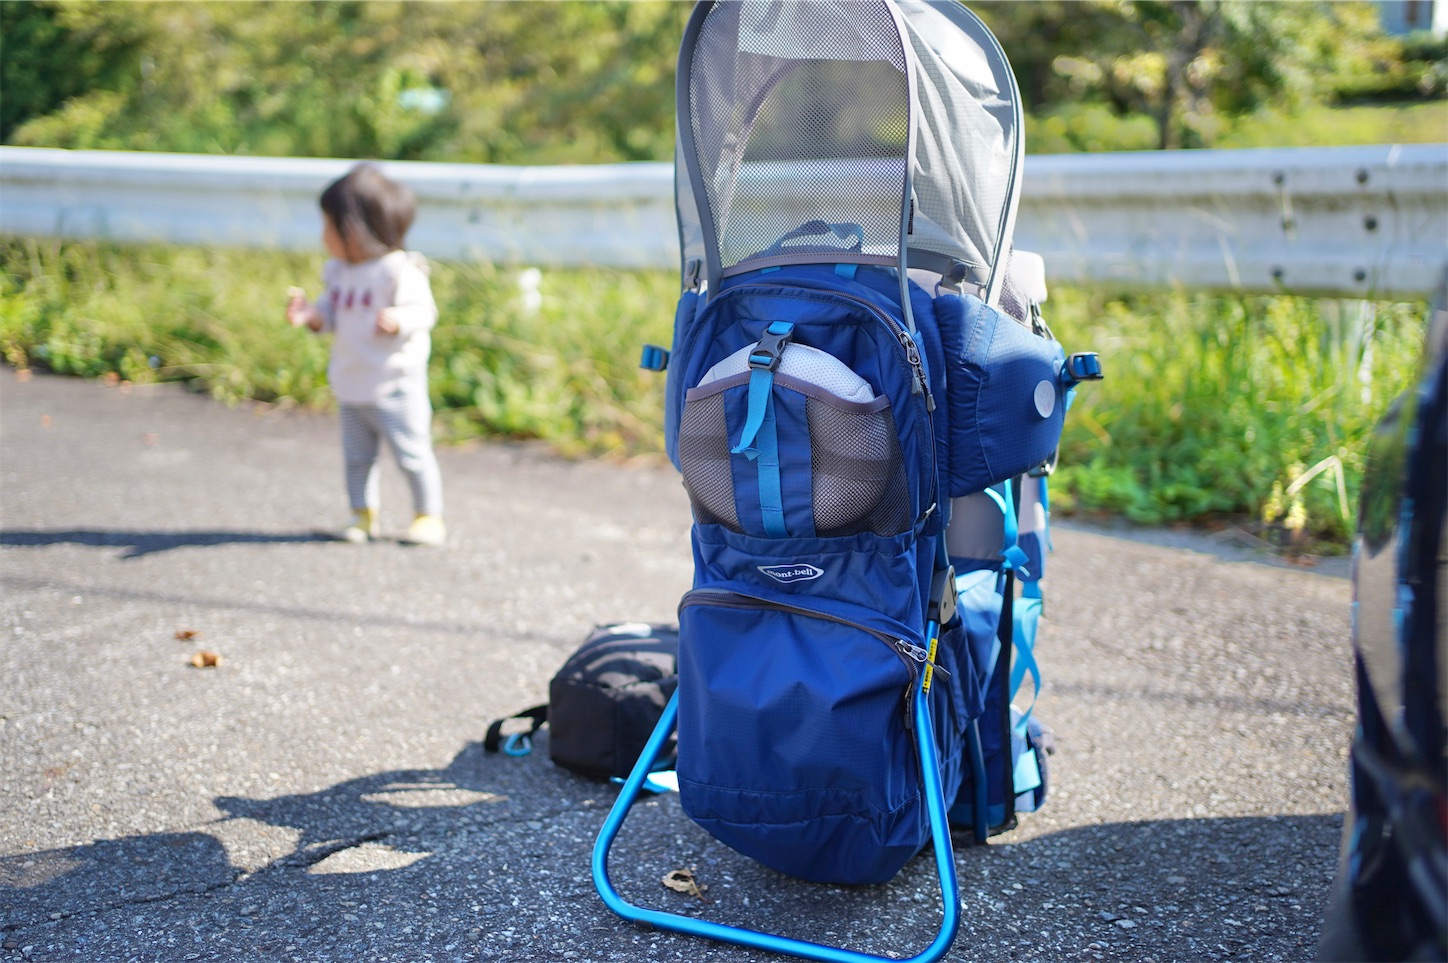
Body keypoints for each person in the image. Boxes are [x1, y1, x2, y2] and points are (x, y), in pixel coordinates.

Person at [285, 162, 446, 546]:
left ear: (357, 229)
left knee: (412, 454)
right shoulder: (339, 272)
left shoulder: (398, 270)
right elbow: (330, 312)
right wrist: (311, 316)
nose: (324, 235)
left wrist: (399, 319)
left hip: (396, 384)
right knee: (357, 457)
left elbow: (425, 312)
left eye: (329, 225)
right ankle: (361, 514)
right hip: (353, 382)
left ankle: (428, 516)